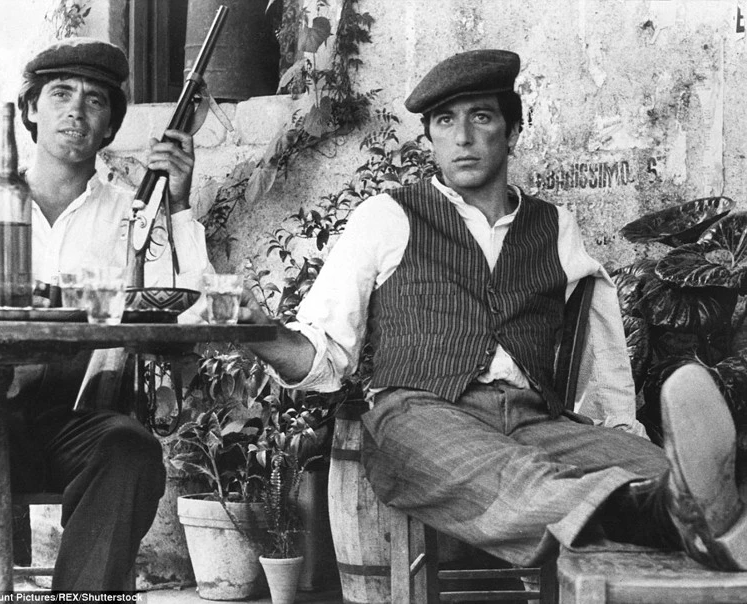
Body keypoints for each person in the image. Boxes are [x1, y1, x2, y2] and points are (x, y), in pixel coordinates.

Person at [242, 49, 747, 572]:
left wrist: (615, 427)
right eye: (445, 121)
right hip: (421, 416)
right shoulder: (387, 216)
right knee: (515, 472)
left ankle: (687, 514)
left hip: (536, 419)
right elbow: (325, 353)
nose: (462, 137)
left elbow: (598, 343)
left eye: (481, 117)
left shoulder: (555, 227)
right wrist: (256, 331)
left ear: (513, 132)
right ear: (430, 137)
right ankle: (659, 515)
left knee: (657, 468)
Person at [0, 38, 212, 590]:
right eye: (60, 94)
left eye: (95, 100)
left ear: (110, 124)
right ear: (31, 111)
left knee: (131, 450)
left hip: (74, 421)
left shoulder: (130, 216)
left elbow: (192, 310)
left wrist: (177, 203)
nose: (76, 110)